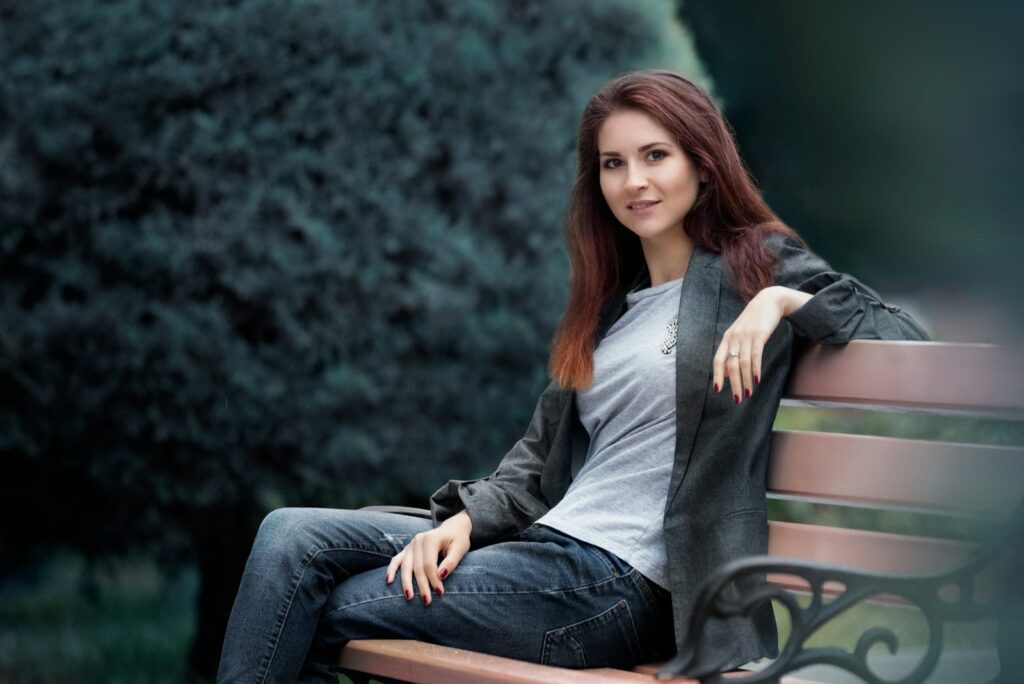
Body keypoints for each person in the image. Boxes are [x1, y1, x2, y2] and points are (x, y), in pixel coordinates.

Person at [215, 69, 931, 683]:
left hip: (618, 585)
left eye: (655, 156)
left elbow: (904, 338)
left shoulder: (755, 266)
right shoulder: (610, 306)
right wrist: (465, 521)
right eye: (613, 163)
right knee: (289, 536)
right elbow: (535, 463)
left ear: (703, 164)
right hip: (543, 551)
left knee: (324, 607)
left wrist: (778, 302)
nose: (634, 181)